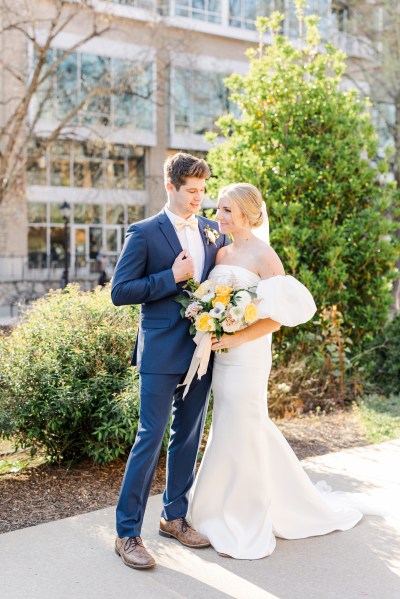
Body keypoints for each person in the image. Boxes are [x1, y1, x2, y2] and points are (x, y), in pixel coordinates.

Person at [187, 182, 364, 560]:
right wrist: (212, 323)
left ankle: (248, 516)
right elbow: (215, 303)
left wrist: (235, 337)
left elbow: (277, 320)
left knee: (246, 423)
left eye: (226, 210)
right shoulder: (220, 254)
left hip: (248, 357)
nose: (218, 216)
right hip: (223, 355)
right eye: (218, 209)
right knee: (233, 426)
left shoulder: (266, 258)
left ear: (248, 215)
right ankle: (214, 509)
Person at [111, 152, 230, 569]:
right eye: (192, 191)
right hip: (160, 350)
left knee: (188, 436)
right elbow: (120, 291)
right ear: (171, 187)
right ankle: (127, 534)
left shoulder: (215, 231)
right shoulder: (144, 233)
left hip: (201, 349)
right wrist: (170, 279)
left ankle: (174, 517)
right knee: (150, 436)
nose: (200, 198)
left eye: (203, 190)